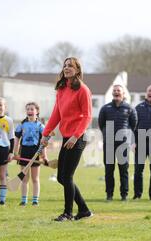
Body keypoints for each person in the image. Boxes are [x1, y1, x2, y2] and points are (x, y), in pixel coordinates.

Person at [41, 57, 93, 222]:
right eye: (65, 65)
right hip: (66, 137)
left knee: (67, 176)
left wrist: (76, 136)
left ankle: (68, 213)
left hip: (78, 137)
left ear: (77, 70)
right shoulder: (62, 90)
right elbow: (56, 114)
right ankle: (83, 210)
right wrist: (46, 134)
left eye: (70, 66)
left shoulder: (83, 90)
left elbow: (87, 116)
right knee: (62, 177)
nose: (66, 68)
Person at [98, 84, 137, 201]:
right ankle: (109, 195)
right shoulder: (105, 108)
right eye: (114, 90)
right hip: (109, 142)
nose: (116, 92)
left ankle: (124, 195)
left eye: (118, 90)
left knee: (123, 170)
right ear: (112, 93)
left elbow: (133, 125)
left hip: (123, 143)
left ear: (123, 94)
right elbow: (101, 124)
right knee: (109, 170)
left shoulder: (129, 108)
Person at [13, 102, 48, 206]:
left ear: (37, 111)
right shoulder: (22, 125)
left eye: (32, 109)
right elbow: (17, 139)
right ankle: (24, 200)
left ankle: (35, 200)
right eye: (28, 109)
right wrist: (15, 152)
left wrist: (44, 156)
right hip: (24, 152)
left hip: (35, 152)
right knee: (24, 178)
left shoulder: (41, 126)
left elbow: (44, 143)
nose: (29, 111)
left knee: (35, 178)